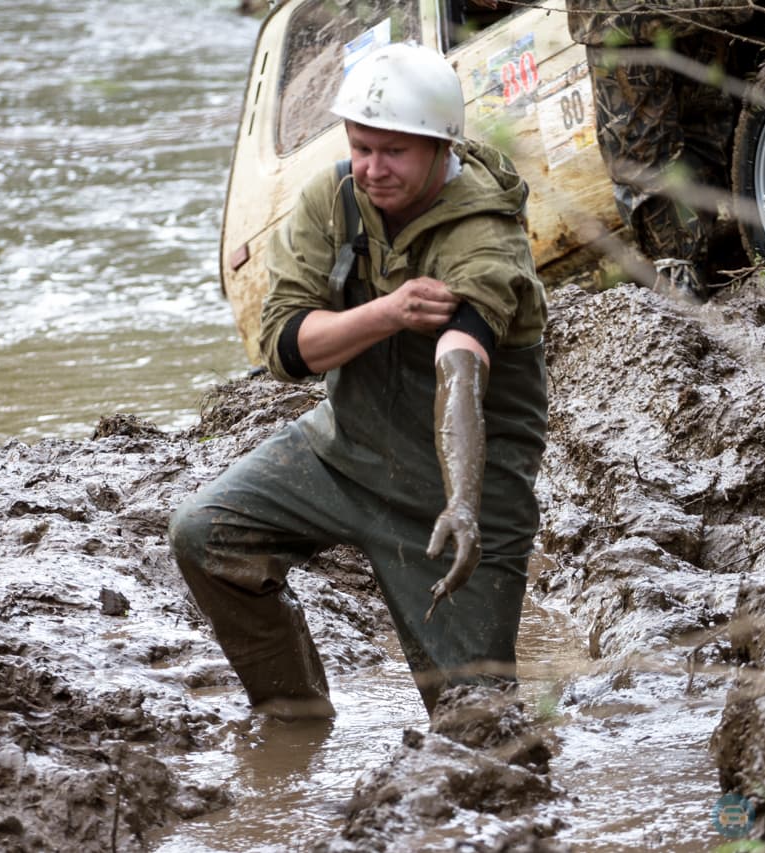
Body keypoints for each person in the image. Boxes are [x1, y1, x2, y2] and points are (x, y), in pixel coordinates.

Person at [168, 41, 549, 719]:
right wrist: (389, 311)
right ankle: (294, 716)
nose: (372, 168)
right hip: (342, 451)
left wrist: (461, 503)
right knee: (203, 534)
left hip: (458, 493)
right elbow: (284, 347)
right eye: (361, 146)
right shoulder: (333, 199)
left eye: (393, 152)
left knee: (478, 720)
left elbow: (460, 365)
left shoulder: (485, 233)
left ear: (440, 147)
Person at [566, 0, 749, 300]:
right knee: (701, 123)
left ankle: (682, 273)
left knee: (643, 147)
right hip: (687, 12)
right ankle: (685, 270)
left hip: (624, 17)